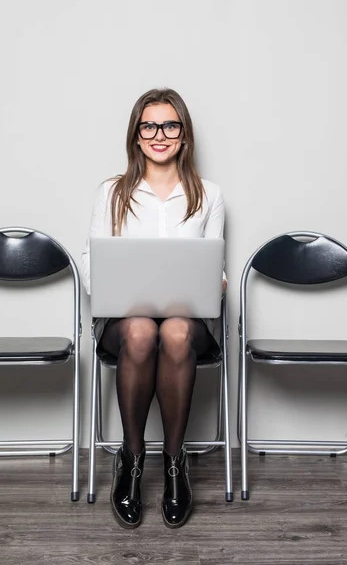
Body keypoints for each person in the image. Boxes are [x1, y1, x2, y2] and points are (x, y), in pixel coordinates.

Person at [81, 88, 226, 529]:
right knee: (143, 329)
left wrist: (215, 281)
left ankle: (175, 464)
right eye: (149, 125)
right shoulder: (112, 192)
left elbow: (214, 263)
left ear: (183, 135)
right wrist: (109, 284)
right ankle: (131, 458)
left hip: (190, 323)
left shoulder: (209, 194)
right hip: (124, 324)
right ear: (136, 135)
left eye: (169, 125)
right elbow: (91, 263)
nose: (158, 134)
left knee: (176, 330)